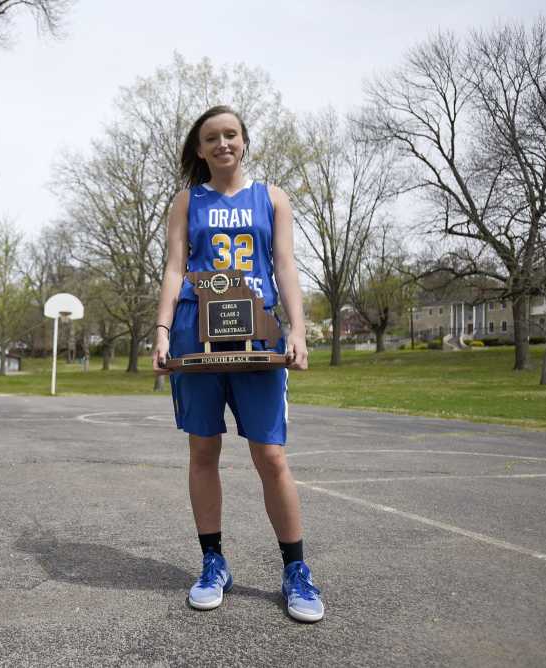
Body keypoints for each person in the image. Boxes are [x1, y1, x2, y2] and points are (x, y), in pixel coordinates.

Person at [151, 105, 324, 623]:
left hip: (257, 337)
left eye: (231, 135)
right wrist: (161, 332)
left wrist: (298, 328)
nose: (222, 143)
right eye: (211, 137)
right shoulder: (185, 201)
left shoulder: (272, 198)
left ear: (244, 142)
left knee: (270, 457)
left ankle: (295, 569)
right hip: (196, 338)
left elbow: (286, 266)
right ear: (199, 149)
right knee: (203, 451)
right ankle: (213, 562)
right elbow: (175, 268)